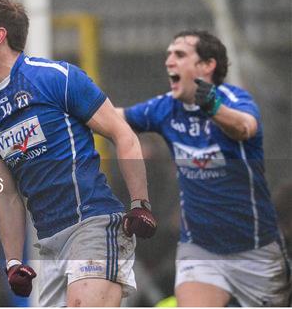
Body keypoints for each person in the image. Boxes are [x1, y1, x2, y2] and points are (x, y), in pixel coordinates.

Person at [0, 0, 157, 307]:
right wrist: (12, 262)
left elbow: (123, 134)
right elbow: (6, 193)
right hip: (49, 245)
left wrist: (140, 203)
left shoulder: (55, 77)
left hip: (94, 225)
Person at [116, 30, 291, 306]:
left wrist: (213, 108)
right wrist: (70, 103)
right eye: (169, 54)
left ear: (207, 66)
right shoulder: (166, 108)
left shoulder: (235, 100)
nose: (169, 60)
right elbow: (114, 118)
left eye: (180, 54)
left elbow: (244, 126)